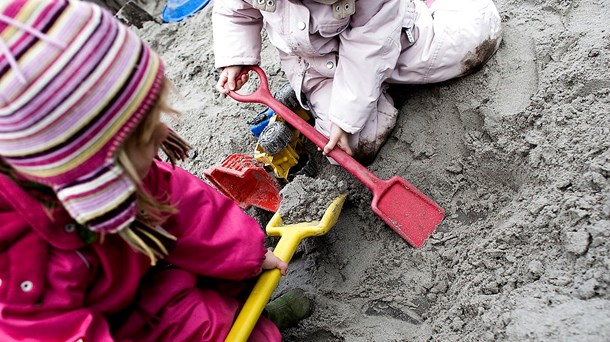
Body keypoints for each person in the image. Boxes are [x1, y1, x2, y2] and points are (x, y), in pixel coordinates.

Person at [0, 0, 309, 340]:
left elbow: (186, 207)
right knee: (201, 328)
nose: (160, 139)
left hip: (144, 269)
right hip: (120, 325)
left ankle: (257, 317)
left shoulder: (127, 169)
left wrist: (246, 255)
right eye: (144, 136)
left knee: (225, 280)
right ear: (92, 164)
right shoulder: (22, 267)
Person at [213, 0, 502, 165]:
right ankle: (367, 96)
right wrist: (235, 57)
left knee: (475, 38)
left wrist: (345, 116)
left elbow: (370, 49)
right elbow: (233, 10)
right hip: (316, 66)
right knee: (351, 149)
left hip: (393, 39)